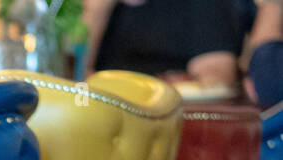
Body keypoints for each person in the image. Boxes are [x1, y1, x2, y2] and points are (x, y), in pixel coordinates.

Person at [85, 0, 248, 92]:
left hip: (172, 118)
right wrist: (95, 12)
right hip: (100, 114)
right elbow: (69, 76)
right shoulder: (87, 8)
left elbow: (218, 79)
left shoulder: (204, 5)